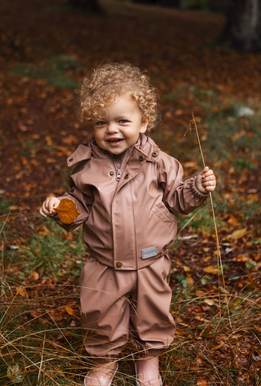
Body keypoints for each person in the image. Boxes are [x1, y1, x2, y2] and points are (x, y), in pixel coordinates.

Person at [40, 62, 216, 386]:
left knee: (152, 313)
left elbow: (177, 199)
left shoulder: (161, 163)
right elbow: (79, 206)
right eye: (101, 122)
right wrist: (60, 208)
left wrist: (196, 189)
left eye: (123, 120)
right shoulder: (85, 166)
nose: (112, 130)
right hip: (105, 261)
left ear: (144, 122)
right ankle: (104, 362)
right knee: (100, 314)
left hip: (150, 259)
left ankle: (148, 360)